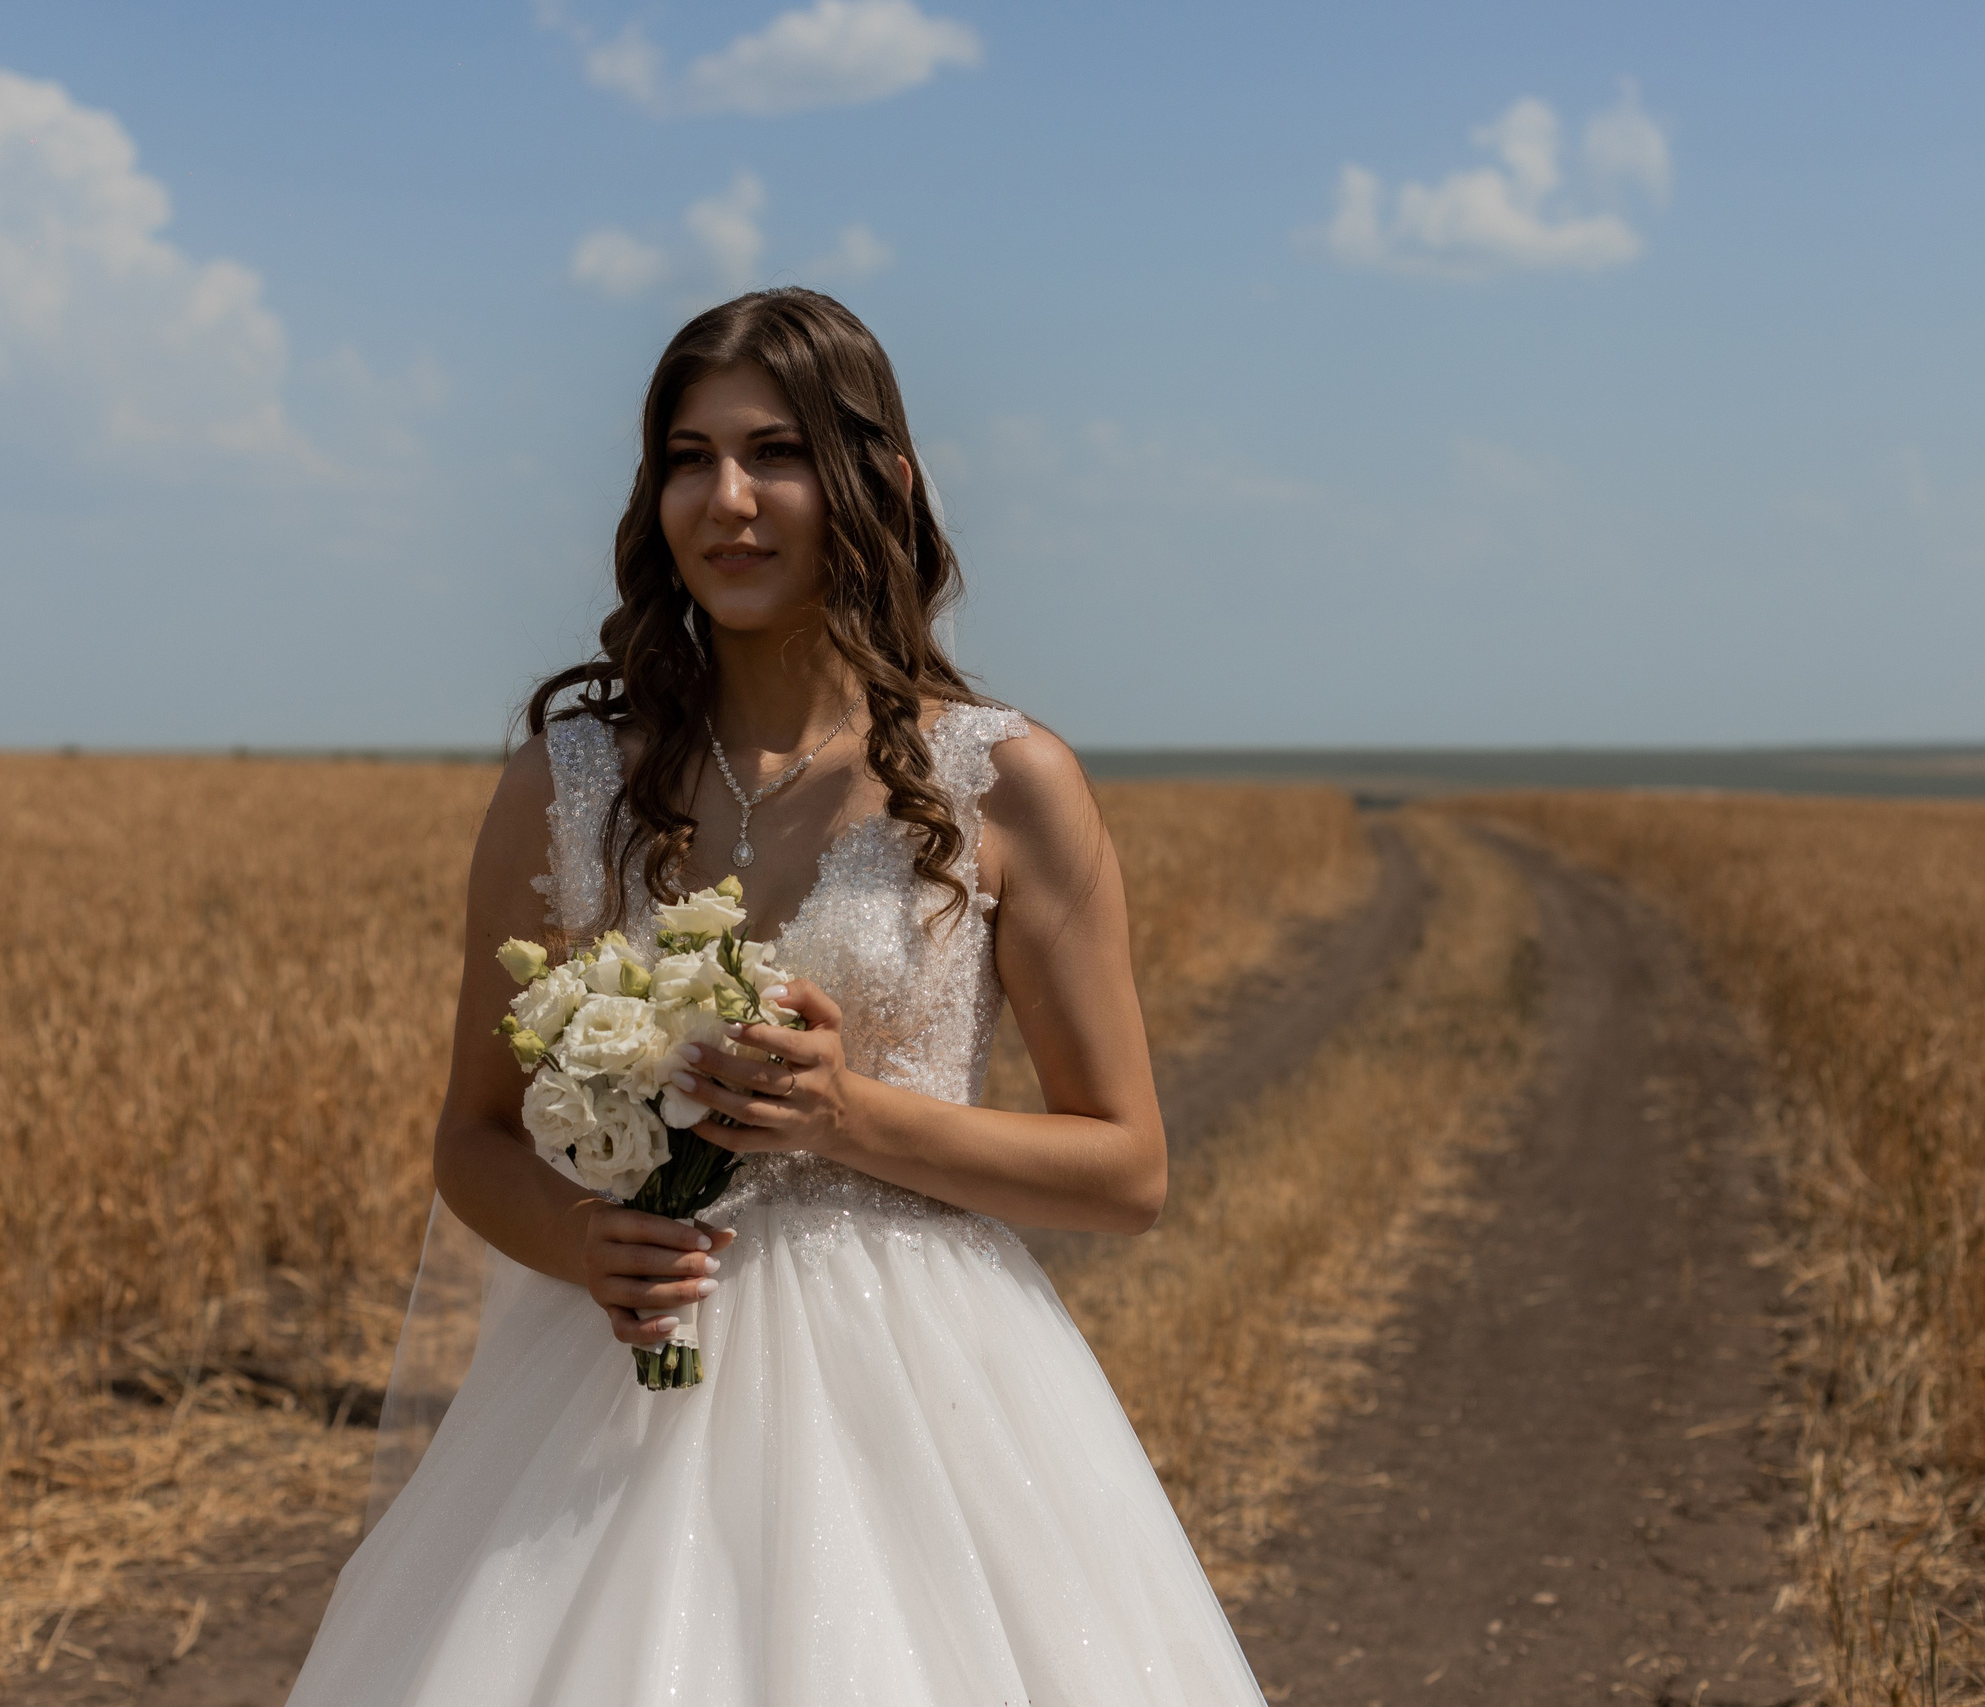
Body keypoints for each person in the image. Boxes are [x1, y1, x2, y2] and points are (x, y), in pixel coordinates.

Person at [285, 289, 1268, 1706]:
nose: (727, 499)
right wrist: (583, 1240)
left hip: (923, 1397)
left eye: (776, 453)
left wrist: (846, 1115)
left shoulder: (1006, 782)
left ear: (881, 482)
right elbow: (474, 1137)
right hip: (608, 1397)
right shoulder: (567, 785)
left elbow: (1127, 1169)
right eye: (689, 457)